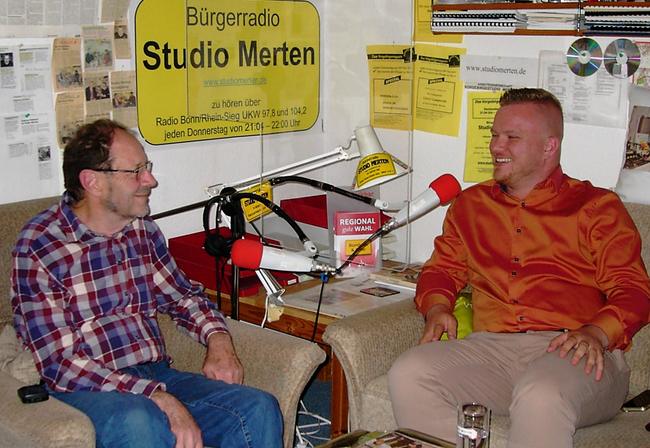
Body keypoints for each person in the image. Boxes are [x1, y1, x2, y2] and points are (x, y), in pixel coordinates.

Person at [388, 88, 650, 448]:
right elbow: (441, 270)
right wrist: (437, 307)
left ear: (549, 146)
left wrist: (596, 333)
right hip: (492, 350)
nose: (497, 146)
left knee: (540, 394)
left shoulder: (595, 207)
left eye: (512, 137)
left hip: (577, 351)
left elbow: (633, 291)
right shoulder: (470, 206)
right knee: (409, 372)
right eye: (495, 135)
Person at [11, 119, 283, 448]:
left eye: (147, 167)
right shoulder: (41, 245)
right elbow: (60, 364)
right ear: (93, 182)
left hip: (155, 374)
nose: (150, 180)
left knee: (257, 407)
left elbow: (183, 298)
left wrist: (218, 341)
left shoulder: (142, 230)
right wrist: (158, 398)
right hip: (88, 388)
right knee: (142, 420)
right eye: (136, 171)